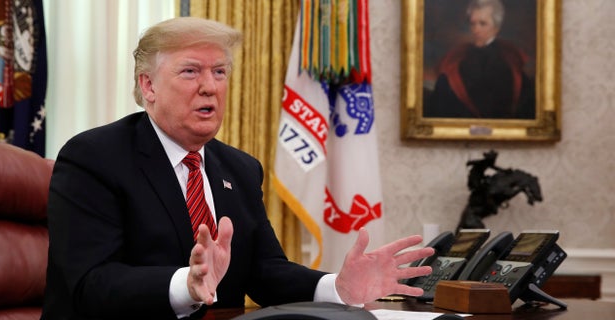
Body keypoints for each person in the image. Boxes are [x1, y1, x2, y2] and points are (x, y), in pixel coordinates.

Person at [40, 17, 435, 320]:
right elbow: (90, 284)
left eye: (220, 72)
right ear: (148, 86)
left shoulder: (240, 169)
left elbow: (264, 272)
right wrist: (186, 285)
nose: (210, 86)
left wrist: (338, 286)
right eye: (191, 71)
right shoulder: (94, 157)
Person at [424, 0, 535, 119]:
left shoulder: (510, 59)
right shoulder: (458, 56)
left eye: (483, 24)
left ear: (496, 28)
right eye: (473, 23)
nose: (476, 30)